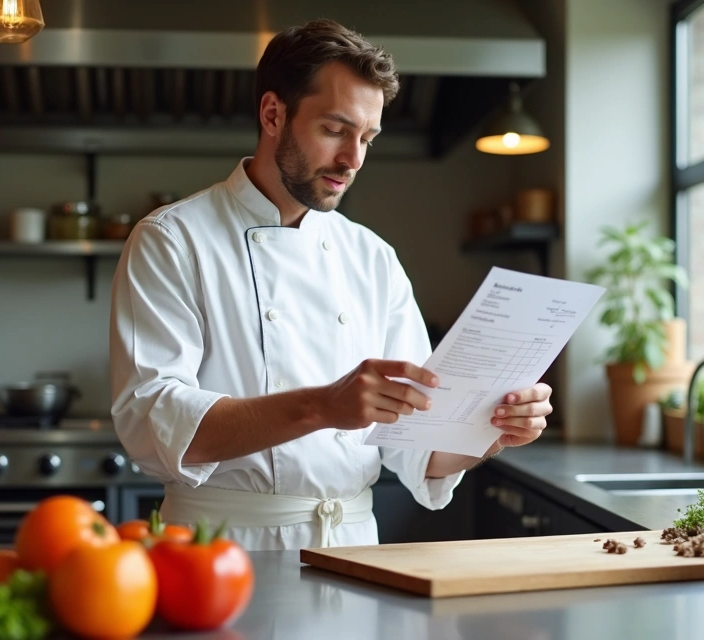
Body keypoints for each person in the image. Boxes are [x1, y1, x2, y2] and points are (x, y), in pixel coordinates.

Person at [109, 19, 553, 551]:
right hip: (219, 550)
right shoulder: (173, 239)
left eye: (367, 138)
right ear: (273, 114)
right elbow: (150, 422)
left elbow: (418, 446)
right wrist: (320, 407)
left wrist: (492, 431)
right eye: (335, 130)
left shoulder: (372, 257)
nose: (354, 159)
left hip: (352, 547)